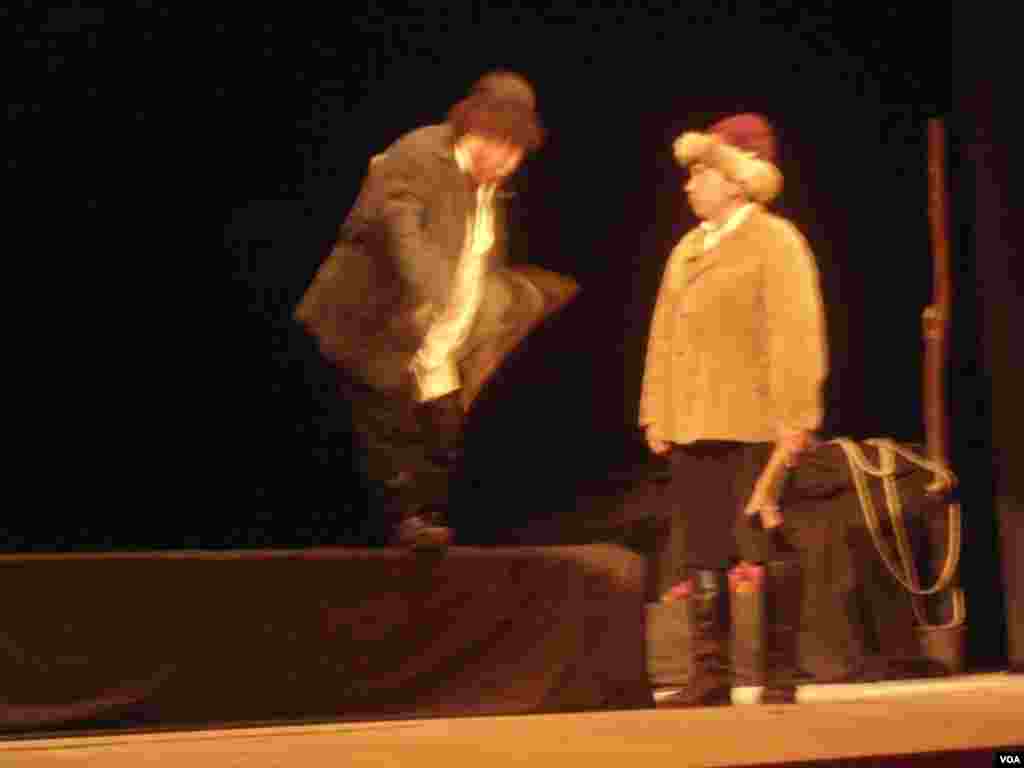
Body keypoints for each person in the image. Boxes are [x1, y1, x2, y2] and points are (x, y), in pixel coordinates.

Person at [295, 71, 577, 549]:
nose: (510, 164)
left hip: (435, 342)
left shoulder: (485, 187)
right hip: (376, 324)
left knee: (442, 441)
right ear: (480, 131)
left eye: (517, 153)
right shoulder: (420, 154)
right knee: (391, 438)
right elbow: (399, 224)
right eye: (505, 148)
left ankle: (421, 527)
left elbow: (473, 257)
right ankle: (405, 525)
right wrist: (432, 284)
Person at [639, 113, 828, 705]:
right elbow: (663, 334)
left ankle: (780, 673)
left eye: (701, 173)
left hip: (756, 424)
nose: (689, 185)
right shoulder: (688, 248)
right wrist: (656, 410)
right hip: (694, 422)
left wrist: (796, 419)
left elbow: (797, 335)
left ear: (737, 179)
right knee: (703, 549)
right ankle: (711, 673)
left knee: (766, 546)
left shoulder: (776, 241)